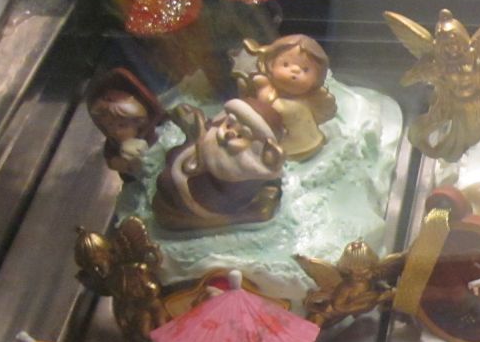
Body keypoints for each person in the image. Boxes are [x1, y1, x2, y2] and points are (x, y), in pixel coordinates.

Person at [152, 99, 285, 230]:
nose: (229, 134)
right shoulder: (214, 142)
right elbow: (204, 139)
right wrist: (195, 122)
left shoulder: (246, 173)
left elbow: (218, 172)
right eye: (228, 125)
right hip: (182, 190)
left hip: (203, 204)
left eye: (241, 135)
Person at [241, 34, 336, 161]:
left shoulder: (307, 99)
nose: (295, 70)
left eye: (305, 69)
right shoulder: (268, 91)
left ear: (316, 80)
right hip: (283, 147)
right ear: (271, 64)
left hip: (305, 143)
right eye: (285, 64)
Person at [85, 67, 164, 179]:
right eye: (109, 125)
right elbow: (113, 161)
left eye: (122, 125)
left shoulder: (155, 132)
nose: (115, 131)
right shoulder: (114, 145)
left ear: (139, 123)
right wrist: (125, 163)